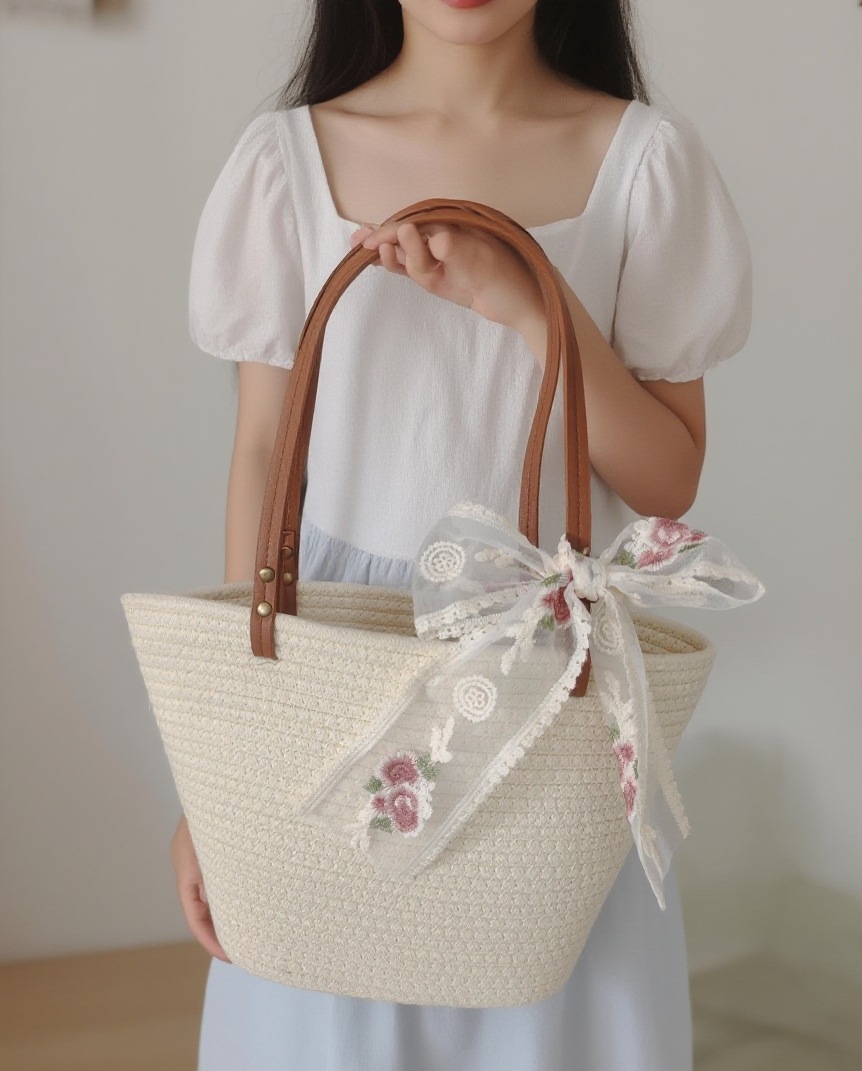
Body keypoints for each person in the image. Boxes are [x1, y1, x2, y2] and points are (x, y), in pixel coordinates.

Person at [172, 0, 753, 1067]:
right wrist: (224, 770)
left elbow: (666, 480)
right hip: (331, 649)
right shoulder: (286, 161)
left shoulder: (644, 164)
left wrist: (531, 302)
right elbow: (262, 454)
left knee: (550, 996)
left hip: (547, 666)